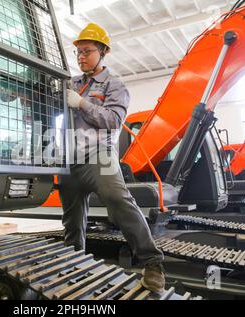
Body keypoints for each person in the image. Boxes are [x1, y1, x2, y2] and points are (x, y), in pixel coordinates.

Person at [59, 23, 165, 293]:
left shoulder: (114, 85)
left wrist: (81, 103)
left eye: (87, 51)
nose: (81, 57)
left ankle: (152, 263)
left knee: (118, 198)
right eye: (78, 53)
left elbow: (113, 120)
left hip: (100, 154)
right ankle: (74, 263)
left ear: (103, 52)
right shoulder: (71, 83)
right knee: (72, 220)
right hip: (70, 158)